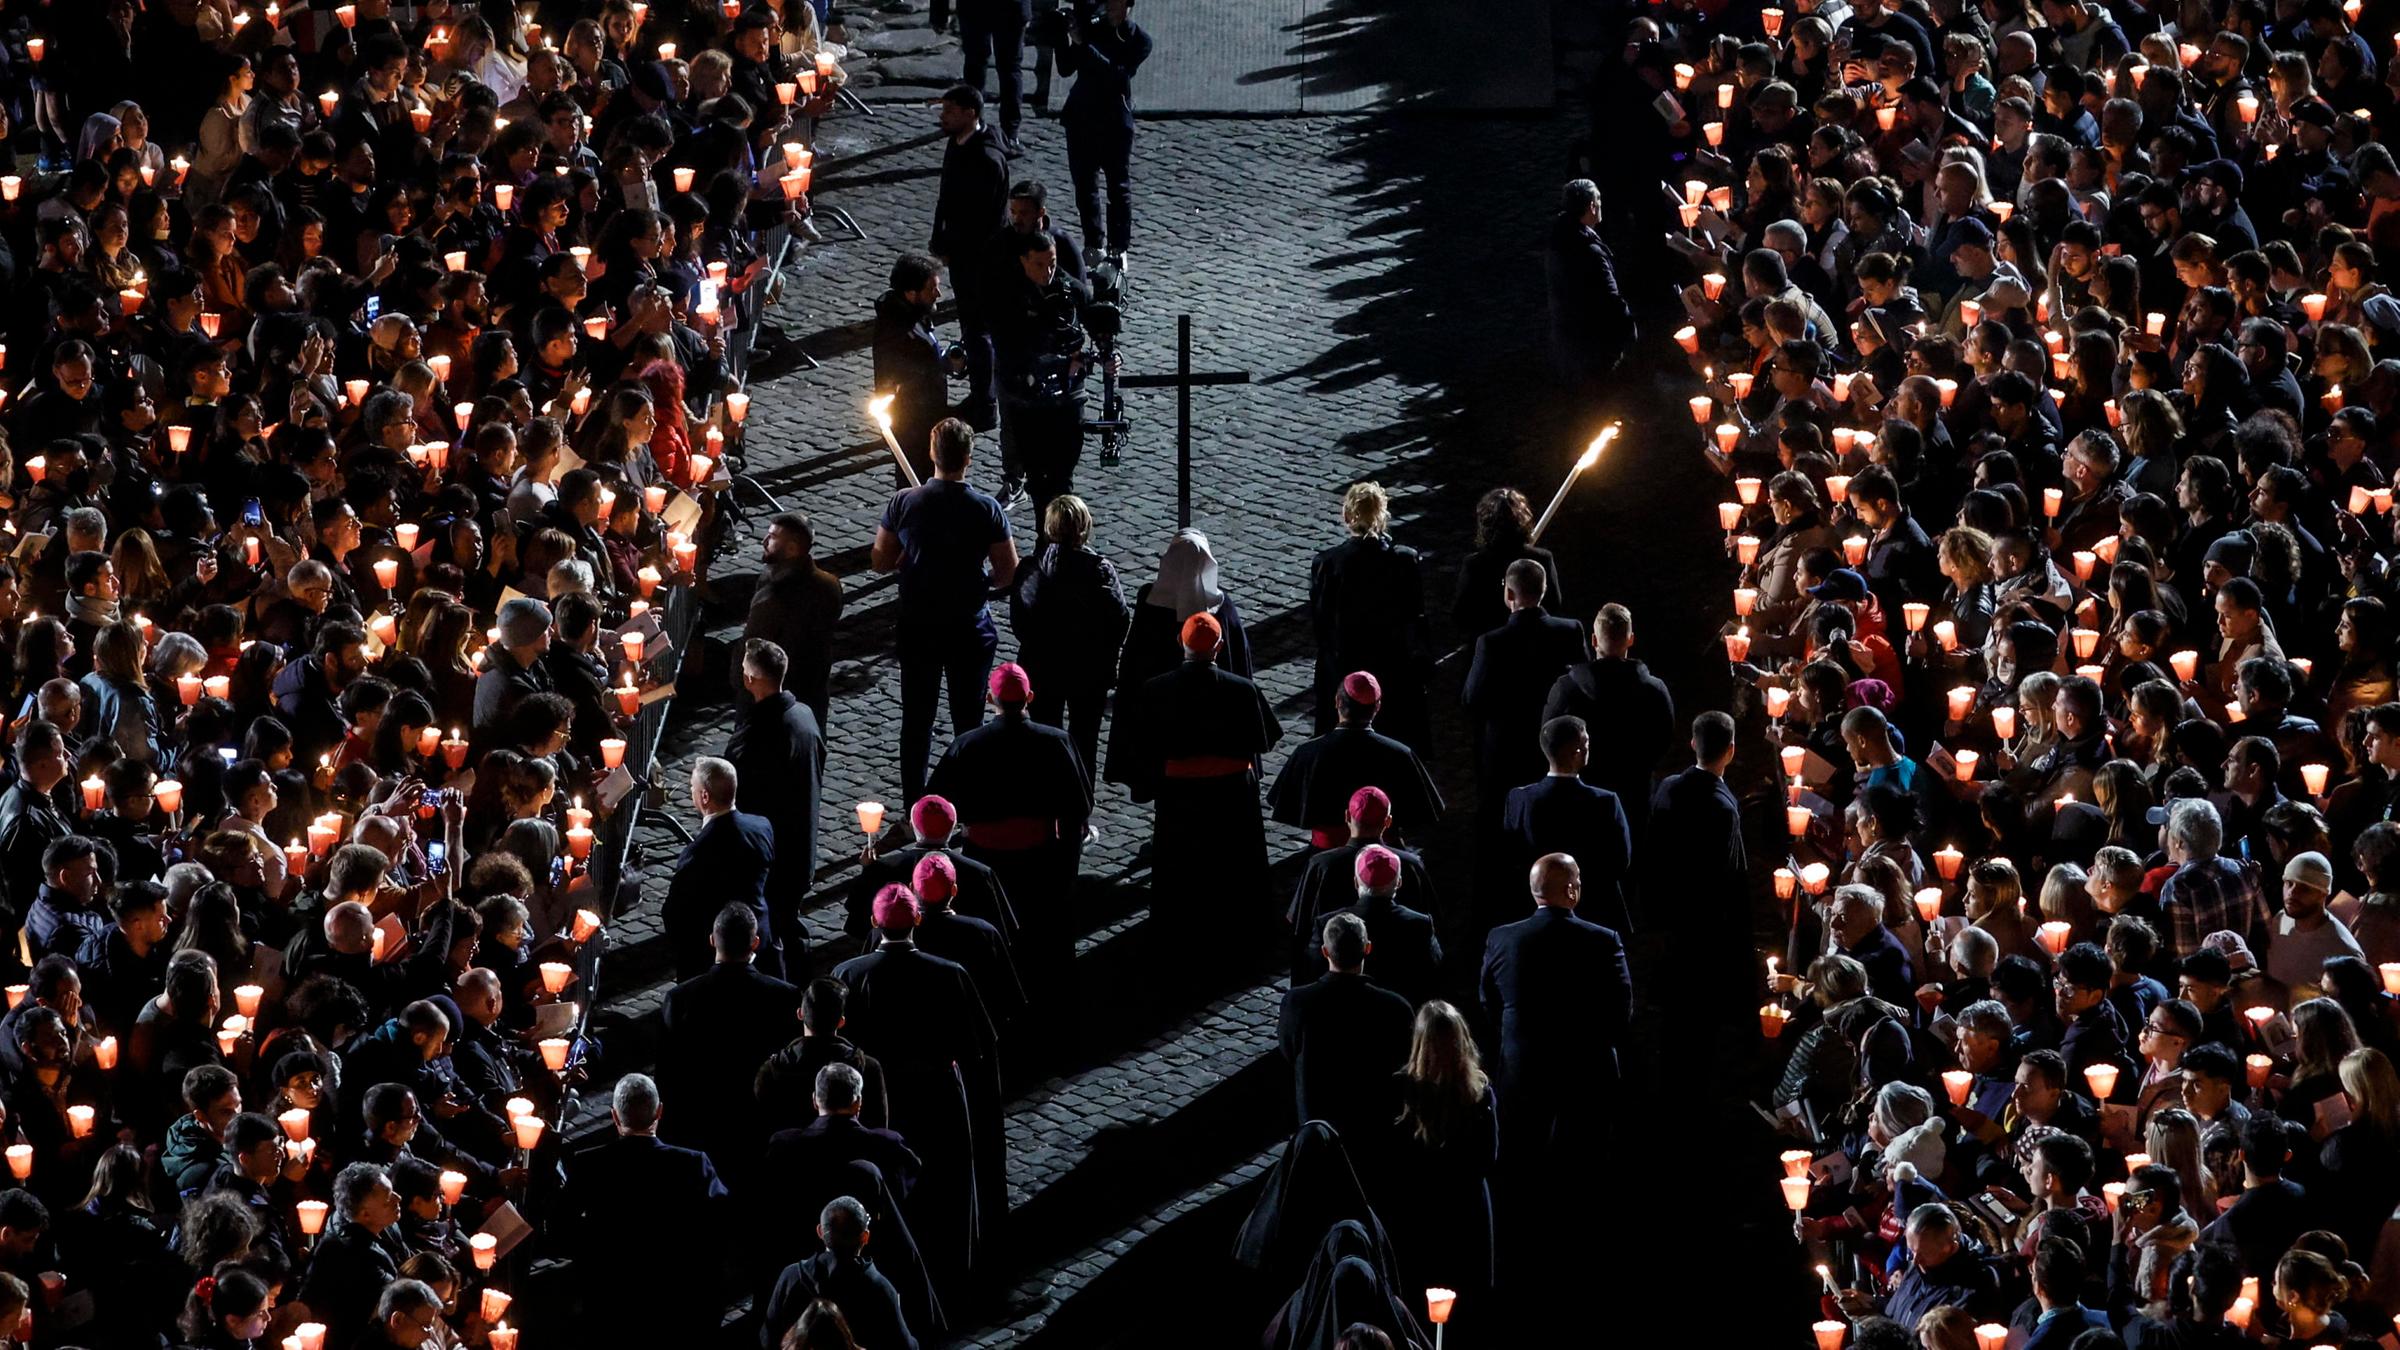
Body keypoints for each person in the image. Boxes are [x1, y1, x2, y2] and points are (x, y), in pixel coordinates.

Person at [833, 885, 999, 1295]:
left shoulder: (850, 974)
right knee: (947, 1184)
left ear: (874, 923)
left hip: (879, 1100)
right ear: (917, 920)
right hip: (938, 1092)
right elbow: (975, 1044)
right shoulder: (950, 973)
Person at [872, 418, 1017, 805]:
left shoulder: (904, 502)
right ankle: (967, 801)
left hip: (918, 627)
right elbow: (1007, 571)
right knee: (968, 721)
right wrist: (979, 580)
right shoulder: (986, 509)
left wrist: (906, 556)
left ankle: (913, 807)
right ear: (968, 459)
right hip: (968, 629)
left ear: (931, 454)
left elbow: (880, 560)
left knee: (916, 722)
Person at [928, 662, 1089, 1000]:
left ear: (990, 698)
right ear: (1029, 696)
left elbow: (938, 802)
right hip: (1041, 858)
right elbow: (1078, 805)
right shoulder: (1056, 742)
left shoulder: (967, 745)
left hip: (984, 861)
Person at [1118, 612, 1283, 924]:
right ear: (1219, 648)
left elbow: (1142, 745)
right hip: (1232, 790)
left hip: (1180, 792)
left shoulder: (1156, 690)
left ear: (1181, 642)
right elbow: (1264, 740)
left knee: (1183, 863)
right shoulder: (1242, 689)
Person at [1478, 853, 1632, 1168]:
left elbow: (1488, 999)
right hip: (1587, 1066)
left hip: (1523, 1064)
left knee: (1524, 1156)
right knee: (1585, 1157)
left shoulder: (1502, 938)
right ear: (1572, 891)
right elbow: (1621, 1009)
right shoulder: (1603, 941)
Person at [557, 1075, 731, 1345]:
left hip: (610, 1300)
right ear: (659, 1111)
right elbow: (720, 1228)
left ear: (614, 1116)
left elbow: (560, 1229)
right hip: (676, 1301)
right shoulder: (693, 1165)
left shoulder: (589, 1165)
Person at [659, 904, 802, 1197]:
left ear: (712, 940)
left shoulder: (680, 999)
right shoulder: (784, 997)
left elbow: (668, 1073)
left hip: (700, 1125)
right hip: (758, 1128)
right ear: (756, 942)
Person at [1008, 493, 1129, 784]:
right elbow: (1119, 620)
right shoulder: (1099, 570)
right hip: (1088, 672)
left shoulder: (1030, 569)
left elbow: (1019, 621)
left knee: (1045, 738)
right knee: (1084, 742)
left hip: (1041, 668)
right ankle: (1079, 810)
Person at [1278, 912, 1414, 1162]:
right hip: (1374, 1128)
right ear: (1368, 949)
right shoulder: (1395, 1008)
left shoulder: (1297, 1003)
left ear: (1325, 952)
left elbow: (1288, 1051)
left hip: (1318, 1126)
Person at [726, 638, 826, 975]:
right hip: (801, 842)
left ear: (751, 680)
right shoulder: (805, 716)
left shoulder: (759, 733)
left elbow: (741, 785)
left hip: (774, 851)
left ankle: (788, 989)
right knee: (789, 919)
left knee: (777, 928)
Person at [1310, 482, 1434, 750]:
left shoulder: (1328, 564)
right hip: (1393, 671)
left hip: (1343, 669)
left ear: (1347, 516)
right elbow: (1416, 617)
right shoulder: (1404, 561)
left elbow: (1321, 625)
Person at [1645, 712, 1752, 1010]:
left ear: (1693, 743)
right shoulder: (1722, 806)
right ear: (1731, 750)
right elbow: (1727, 871)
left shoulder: (1667, 786)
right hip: (1705, 917)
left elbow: (1653, 845)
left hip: (1667, 902)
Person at [1269, 671, 1444, 851]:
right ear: (1377, 707)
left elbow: (1284, 802)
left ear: (1337, 701)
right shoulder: (1401, 754)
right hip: (1383, 857)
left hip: (1325, 854)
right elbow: (1421, 813)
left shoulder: (1307, 753)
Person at [1462, 558, 1591, 798]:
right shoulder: (1570, 631)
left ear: (1509, 592)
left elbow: (1472, 698)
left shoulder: (1491, 643)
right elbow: (1584, 684)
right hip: (1557, 746)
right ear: (1544, 589)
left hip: (1506, 749)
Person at [1541, 603, 1675, 833]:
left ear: (1594, 640)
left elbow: (1549, 735)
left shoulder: (1567, 689)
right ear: (1631, 639)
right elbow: (1664, 738)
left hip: (1582, 789)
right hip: (1636, 789)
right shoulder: (1654, 689)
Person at [1499, 716, 1634, 937]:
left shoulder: (1519, 799)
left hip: (1534, 911)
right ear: (1577, 752)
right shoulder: (1605, 802)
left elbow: (1511, 856)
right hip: (1596, 914)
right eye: (1586, 744)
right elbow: (1620, 861)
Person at [930, 87, 1011, 426]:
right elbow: (946, 198)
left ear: (970, 114)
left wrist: (956, 249)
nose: (942, 116)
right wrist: (939, 239)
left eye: (949, 111)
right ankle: (980, 393)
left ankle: (985, 403)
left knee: (979, 332)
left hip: (980, 260)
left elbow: (981, 221)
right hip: (962, 256)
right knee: (972, 327)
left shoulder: (986, 161)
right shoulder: (958, 144)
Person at [661, 758, 777, 982]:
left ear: (705, 796)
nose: (691, 792)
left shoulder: (699, 851)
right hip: (759, 937)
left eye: (692, 788)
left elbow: (675, 912)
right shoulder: (761, 826)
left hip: (714, 954)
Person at [1055, 0, 1149, 263]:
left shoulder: (1139, 40)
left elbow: (1116, 73)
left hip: (1113, 120)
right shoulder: (1092, 27)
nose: (1109, 7)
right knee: (1084, 185)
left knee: (1117, 186)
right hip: (1081, 116)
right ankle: (1093, 241)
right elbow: (1065, 68)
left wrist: (1083, 44)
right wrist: (1066, 38)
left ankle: (1119, 246)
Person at [762, 1197, 920, 1350]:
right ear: (865, 1237)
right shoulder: (880, 1288)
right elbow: (904, 1346)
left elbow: (767, 1339)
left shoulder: (791, 1276)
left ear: (820, 1231)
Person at [1303, 846, 1442, 1009]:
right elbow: (1434, 973)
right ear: (1399, 883)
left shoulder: (1327, 924)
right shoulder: (1419, 924)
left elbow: (1311, 973)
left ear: (1356, 882)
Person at [742, 512, 846, 730]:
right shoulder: (830, 584)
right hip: (814, 686)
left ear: (791, 548)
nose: (764, 541)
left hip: (772, 693)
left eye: (772, 537)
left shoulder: (774, 597)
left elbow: (754, 642)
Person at [872, 253, 958, 487]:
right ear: (911, 293)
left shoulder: (912, 317)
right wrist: (941, 365)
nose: (938, 294)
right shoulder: (899, 331)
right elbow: (903, 374)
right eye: (932, 289)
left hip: (925, 418)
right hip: (914, 427)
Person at [1544, 179, 1632, 390]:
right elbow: (1611, 297)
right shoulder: (1589, 251)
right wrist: (1629, 330)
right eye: (1599, 200)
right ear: (1592, 206)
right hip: (1596, 344)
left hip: (1569, 342)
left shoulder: (1558, 242)